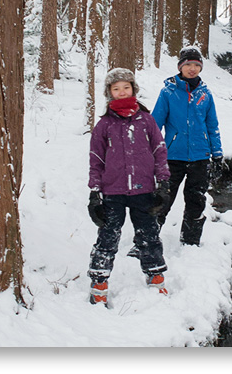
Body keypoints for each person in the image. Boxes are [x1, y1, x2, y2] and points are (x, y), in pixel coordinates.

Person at [87, 68, 171, 307]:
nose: (122, 92)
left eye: (126, 87)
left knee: (148, 235)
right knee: (107, 237)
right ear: (110, 93)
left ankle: (155, 275)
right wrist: (95, 192)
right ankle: (99, 282)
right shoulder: (104, 125)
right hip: (113, 192)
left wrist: (163, 181)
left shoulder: (146, 120)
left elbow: (159, 149)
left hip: (144, 189)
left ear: (133, 89)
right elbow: (96, 158)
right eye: (116, 89)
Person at [150, 46, 223, 246]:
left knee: (196, 201)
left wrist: (217, 154)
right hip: (172, 156)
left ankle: (190, 241)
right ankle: (147, 240)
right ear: (180, 67)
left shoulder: (205, 94)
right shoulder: (168, 92)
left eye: (196, 65)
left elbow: (212, 125)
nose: (192, 69)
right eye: (188, 64)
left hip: (200, 157)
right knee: (162, 199)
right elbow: (155, 124)